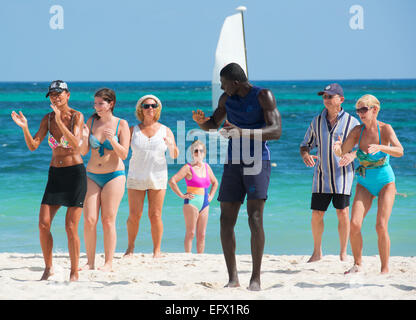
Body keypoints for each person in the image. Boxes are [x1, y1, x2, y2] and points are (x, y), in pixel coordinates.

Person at [192, 62, 281, 291]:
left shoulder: (263, 95)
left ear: (235, 82)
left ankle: (256, 278)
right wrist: (202, 123)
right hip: (233, 162)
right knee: (225, 219)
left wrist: (243, 132)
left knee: (255, 219)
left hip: (257, 161)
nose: (222, 88)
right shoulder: (226, 100)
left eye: (223, 84)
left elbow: (276, 131)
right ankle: (233, 278)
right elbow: (213, 124)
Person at [11, 80, 87, 281]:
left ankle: (74, 271)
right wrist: (25, 128)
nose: (55, 97)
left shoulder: (76, 116)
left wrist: (61, 121)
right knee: (43, 224)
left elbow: (76, 144)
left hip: (75, 175)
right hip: (55, 175)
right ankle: (48, 267)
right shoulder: (47, 119)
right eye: (52, 94)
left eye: (59, 93)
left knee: (71, 226)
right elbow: (33, 145)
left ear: (67, 94)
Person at [334, 94, 403, 274]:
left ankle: (385, 268)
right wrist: (338, 149)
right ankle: (357, 264)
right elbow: (343, 152)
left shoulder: (385, 129)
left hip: (385, 181)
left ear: (375, 110)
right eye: (358, 110)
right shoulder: (358, 131)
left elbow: (400, 151)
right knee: (355, 224)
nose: (360, 113)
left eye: (364, 109)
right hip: (364, 182)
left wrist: (381, 147)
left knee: (380, 225)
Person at [300, 83, 360, 263]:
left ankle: (343, 252)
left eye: (330, 96)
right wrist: (305, 155)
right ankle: (317, 252)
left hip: (343, 176)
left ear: (340, 99)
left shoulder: (352, 122)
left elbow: (361, 148)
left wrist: (351, 155)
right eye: (324, 96)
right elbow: (305, 144)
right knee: (317, 214)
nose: (326, 99)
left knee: (342, 212)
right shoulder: (316, 121)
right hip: (321, 175)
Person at [80, 88, 130, 271]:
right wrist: (84, 138)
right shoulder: (91, 121)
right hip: (92, 174)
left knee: (108, 219)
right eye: (95, 103)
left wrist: (113, 141)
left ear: (111, 104)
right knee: (89, 219)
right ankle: (90, 262)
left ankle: (108, 262)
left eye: (101, 103)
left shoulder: (121, 124)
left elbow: (124, 154)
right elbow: (83, 152)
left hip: (114, 176)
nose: (97, 107)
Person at [124, 94, 179, 258]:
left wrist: (170, 145)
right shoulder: (133, 130)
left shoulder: (165, 130)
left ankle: (157, 250)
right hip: (136, 176)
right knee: (134, 216)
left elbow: (175, 155)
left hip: (157, 177)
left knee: (155, 215)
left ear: (158, 109)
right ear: (140, 109)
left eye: (153, 106)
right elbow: (122, 152)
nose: (150, 109)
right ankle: (130, 248)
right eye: (146, 106)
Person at [168, 140, 218, 253]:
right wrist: (181, 195)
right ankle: (188, 256)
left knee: (202, 234)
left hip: (205, 203)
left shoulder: (207, 167)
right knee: (191, 233)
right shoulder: (188, 167)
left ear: (204, 153)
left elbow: (215, 182)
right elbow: (172, 181)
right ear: (192, 153)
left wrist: (211, 196)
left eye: (201, 151)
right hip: (191, 203)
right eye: (196, 151)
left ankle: (200, 258)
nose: (198, 153)